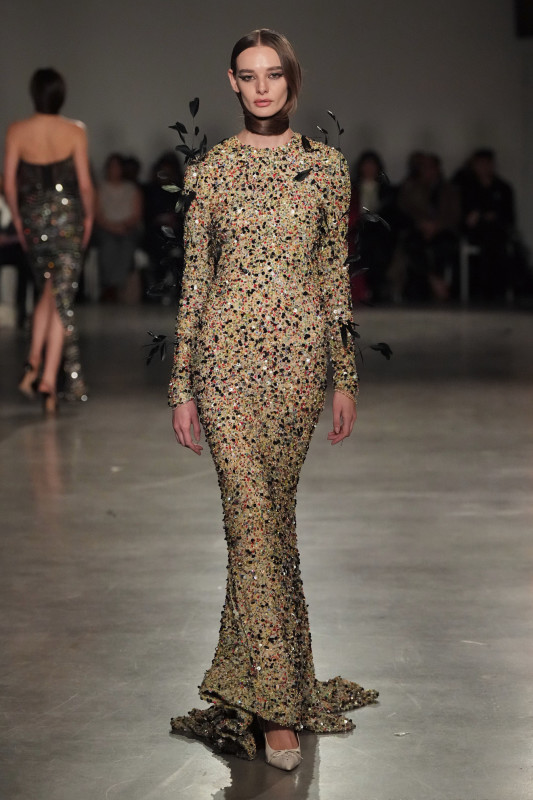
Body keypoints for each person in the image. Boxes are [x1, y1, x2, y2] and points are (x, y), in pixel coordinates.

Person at [169, 29, 378, 772]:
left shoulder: (325, 169)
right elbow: (195, 282)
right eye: (248, 76)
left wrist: (344, 376)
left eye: (274, 74)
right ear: (231, 82)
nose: (262, 88)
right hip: (224, 369)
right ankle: (278, 713)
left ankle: (252, 677)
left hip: (296, 370)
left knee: (271, 529)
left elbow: (333, 280)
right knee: (249, 524)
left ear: (291, 79)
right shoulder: (209, 171)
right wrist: (182, 385)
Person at [3, 68, 94, 412]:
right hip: (68, 218)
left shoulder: (17, 130)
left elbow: (9, 184)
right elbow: (84, 184)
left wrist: (19, 220)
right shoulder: (75, 130)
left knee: (48, 289)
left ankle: (33, 363)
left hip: (32, 218)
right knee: (61, 297)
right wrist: (88, 218)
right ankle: (47, 381)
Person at [391, 153, 460, 302]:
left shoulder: (449, 190)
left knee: (445, 246)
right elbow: (404, 210)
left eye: (431, 167)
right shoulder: (410, 188)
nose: (428, 171)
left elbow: (455, 214)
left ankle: (439, 283)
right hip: (417, 231)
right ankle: (433, 281)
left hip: (443, 231)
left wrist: (437, 226)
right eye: (424, 168)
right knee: (412, 245)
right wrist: (421, 224)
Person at [454, 149, 516, 301]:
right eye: (480, 164)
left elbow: (509, 216)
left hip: (497, 231)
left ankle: (494, 287)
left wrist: (488, 216)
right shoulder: (465, 185)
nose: (484, 167)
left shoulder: (503, 188)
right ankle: (484, 287)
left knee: (495, 240)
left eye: (487, 163)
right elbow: (462, 214)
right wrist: (477, 216)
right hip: (474, 231)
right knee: (488, 239)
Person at [95, 153, 143, 302]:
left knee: (127, 246)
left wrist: (123, 226)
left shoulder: (131, 189)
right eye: (111, 167)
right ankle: (110, 286)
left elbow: (136, 214)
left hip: (127, 228)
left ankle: (114, 287)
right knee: (108, 246)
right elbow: (98, 215)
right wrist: (112, 227)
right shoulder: (100, 189)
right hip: (106, 229)